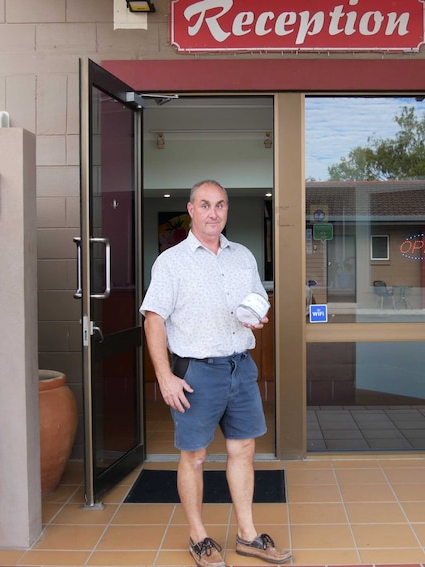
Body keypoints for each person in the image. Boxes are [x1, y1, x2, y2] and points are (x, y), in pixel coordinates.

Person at [140, 179, 292, 567]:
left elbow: (258, 301)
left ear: (226, 210)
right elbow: (154, 320)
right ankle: (199, 537)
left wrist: (259, 316)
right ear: (191, 210)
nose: (213, 212)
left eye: (220, 205)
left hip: (240, 366)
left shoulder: (243, 256)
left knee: (244, 449)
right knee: (194, 456)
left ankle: (247, 535)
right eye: (205, 205)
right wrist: (164, 376)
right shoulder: (171, 261)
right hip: (195, 371)